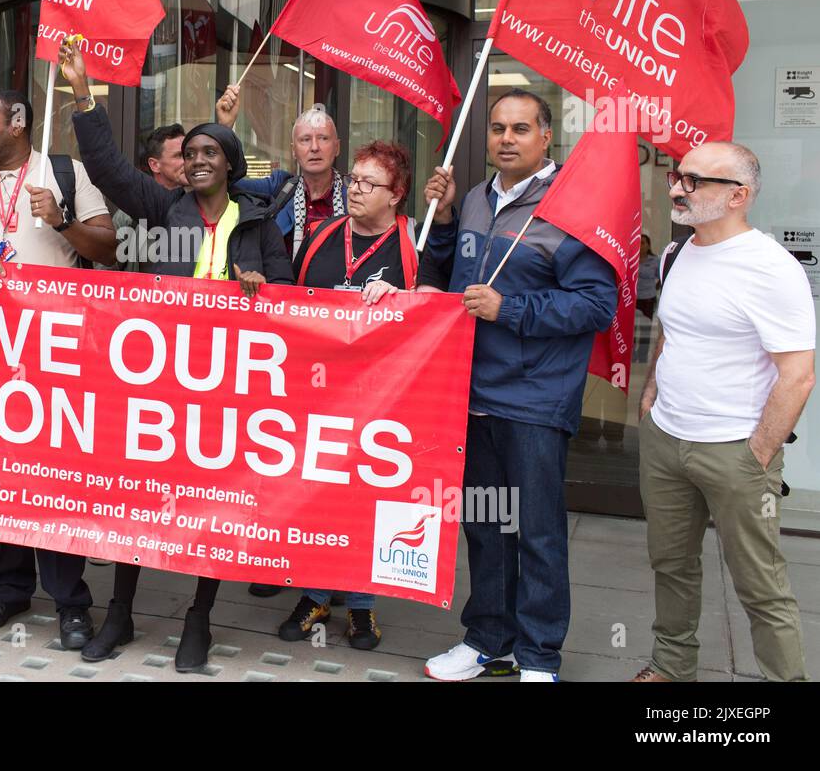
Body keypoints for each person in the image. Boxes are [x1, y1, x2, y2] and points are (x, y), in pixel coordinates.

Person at [62, 39, 294, 671]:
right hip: (162, 383)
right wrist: (86, 96)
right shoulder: (164, 208)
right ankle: (120, 614)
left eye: (207, 153)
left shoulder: (260, 223)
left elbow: (291, 307)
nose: (194, 161)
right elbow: (109, 169)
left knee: (211, 509)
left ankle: (199, 618)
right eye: (188, 153)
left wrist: (262, 292)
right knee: (142, 500)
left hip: (226, 390)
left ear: (230, 163)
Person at [417, 89, 616, 683]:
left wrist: (511, 309)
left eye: (521, 128)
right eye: (498, 128)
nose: (506, 138)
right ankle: (488, 641)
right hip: (472, 391)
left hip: (533, 398)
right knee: (485, 524)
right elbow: (454, 276)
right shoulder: (477, 197)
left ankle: (537, 657)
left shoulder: (569, 208)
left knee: (538, 531)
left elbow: (596, 304)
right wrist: (447, 219)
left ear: (546, 136)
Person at [0, 85, 116, 650]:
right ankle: (8, 588)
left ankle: (70, 601)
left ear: (18, 124)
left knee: (52, 477)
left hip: (56, 354)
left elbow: (110, 248)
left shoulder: (65, 172)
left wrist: (63, 222)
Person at [633, 143, 813, 683]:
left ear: (740, 195)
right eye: (676, 177)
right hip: (666, 440)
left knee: (760, 584)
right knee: (671, 566)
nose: (677, 189)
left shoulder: (770, 269)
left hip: (735, 450)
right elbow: (672, 329)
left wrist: (756, 454)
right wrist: (650, 393)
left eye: (695, 182)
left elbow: (798, 374)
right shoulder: (677, 252)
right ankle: (671, 665)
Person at [278, 140, 419, 652]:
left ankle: (361, 607)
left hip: (381, 401)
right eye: (353, 180)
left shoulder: (411, 246)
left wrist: (406, 298)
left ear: (396, 194)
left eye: (368, 184)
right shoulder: (320, 236)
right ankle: (313, 593)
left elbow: (438, 312)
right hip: (316, 395)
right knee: (316, 495)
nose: (354, 190)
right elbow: (290, 299)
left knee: (368, 502)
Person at [218, 84, 348, 254]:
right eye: (305, 140)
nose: (314, 147)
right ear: (293, 150)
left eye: (323, 138)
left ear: (337, 147)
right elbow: (226, 184)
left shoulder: (354, 192)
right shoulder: (281, 187)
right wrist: (224, 128)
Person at [99, 123, 187, 272]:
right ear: (154, 165)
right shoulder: (128, 216)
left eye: (188, 154)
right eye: (179, 156)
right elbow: (105, 271)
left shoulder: (201, 207)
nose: (188, 161)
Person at [636, 234, 658, 319]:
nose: (640, 246)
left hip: (648, 297)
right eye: (638, 243)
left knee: (646, 325)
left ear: (648, 246)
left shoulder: (655, 260)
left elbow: (661, 277)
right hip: (633, 298)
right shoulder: (630, 260)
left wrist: (655, 287)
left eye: (642, 243)